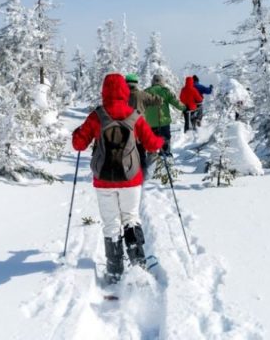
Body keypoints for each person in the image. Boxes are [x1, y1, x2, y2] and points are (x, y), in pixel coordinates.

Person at [72, 73, 164, 284]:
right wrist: (160, 140)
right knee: (130, 218)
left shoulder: (97, 116)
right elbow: (151, 144)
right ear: (124, 91)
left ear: (104, 91)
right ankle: (138, 265)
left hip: (103, 180)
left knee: (111, 224)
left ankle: (114, 272)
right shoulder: (134, 116)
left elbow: (78, 144)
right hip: (131, 179)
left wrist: (78, 132)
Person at [125, 73, 162, 177]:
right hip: (140, 128)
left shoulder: (123, 96)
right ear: (136, 83)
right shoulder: (142, 94)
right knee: (141, 153)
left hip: (125, 128)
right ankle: (143, 175)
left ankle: (128, 174)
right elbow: (157, 100)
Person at [143, 73, 186, 157]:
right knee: (165, 142)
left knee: (152, 145)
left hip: (150, 123)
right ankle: (165, 157)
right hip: (164, 123)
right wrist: (184, 108)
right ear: (162, 82)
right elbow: (176, 103)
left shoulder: (146, 91)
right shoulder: (165, 91)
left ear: (153, 81)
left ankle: (151, 162)